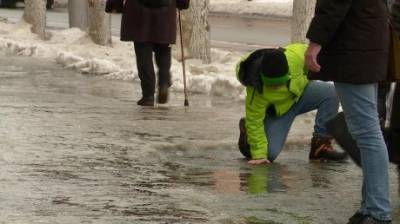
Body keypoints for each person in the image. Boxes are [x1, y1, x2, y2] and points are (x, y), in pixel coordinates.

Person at [305, 0, 392, 222]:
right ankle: (370, 207)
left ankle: (377, 211)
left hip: (355, 50)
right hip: (366, 45)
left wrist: (315, 43)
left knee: (367, 132)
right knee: (368, 131)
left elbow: (333, 5)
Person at [237, 44, 347, 165]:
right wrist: (259, 155)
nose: (277, 87)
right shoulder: (256, 89)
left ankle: (320, 146)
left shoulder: (297, 56)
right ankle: (246, 138)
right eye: (272, 85)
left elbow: (318, 53)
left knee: (330, 93)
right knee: (269, 154)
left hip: (299, 95)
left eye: (280, 83)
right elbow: (255, 122)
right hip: (279, 112)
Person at [107, 0, 190, 106]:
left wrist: (114, 5)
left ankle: (148, 95)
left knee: (143, 53)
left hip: (139, 13)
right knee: (163, 48)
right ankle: (164, 82)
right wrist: (182, 3)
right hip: (165, 12)